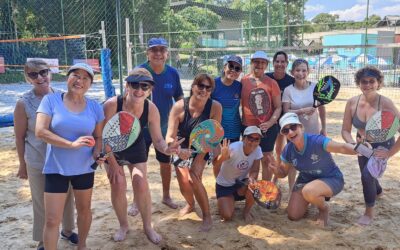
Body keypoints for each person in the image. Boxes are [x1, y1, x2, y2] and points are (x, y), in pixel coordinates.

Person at [102, 68, 182, 244]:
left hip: (135, 144)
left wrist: (168, 149)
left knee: (140, 182)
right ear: (127, 85)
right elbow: (102, 137)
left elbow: (159, 140)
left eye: (144, 86)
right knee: (118, 183)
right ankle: (123, 225)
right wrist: (113, 165)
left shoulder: (150, 108)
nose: (139, 90)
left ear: (150, 89)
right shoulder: (112, 104)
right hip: (111, 147)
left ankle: (148, 226)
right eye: (134, 85)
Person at [36, 63, 104, 250]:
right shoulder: (50, 101)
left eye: (85, 78)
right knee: (51, 219)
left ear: (90, 83)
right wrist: (71, 144)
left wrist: (98, 152)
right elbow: (40, 131)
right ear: (67, 78)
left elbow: (98, 137)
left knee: (84, 211)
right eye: (75, 75)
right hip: (56, 168)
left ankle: (81, 246)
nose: (79, 81)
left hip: (84, 168)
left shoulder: (95, 107)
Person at [14, 60, 78, 250]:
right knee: (41, 202)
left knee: (67, 196)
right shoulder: (23, 103)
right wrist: (22, 164)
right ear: (27, 78)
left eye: (43, 72)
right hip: (38, 160)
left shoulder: (62, 97)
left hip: (63, 158)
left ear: (50, 73)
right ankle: (43, 240)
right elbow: (19, 137)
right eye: (34, 74)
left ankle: (67, 230)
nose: (40, 77)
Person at [269, 112, 358, 227]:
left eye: (293, 127)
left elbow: (341, 147)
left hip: (330, 178)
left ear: (301, 127)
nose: (290, 132)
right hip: (306, 181)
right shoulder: (288, 149)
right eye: (286, 131)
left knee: (309, 191)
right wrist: (276, 171)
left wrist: (357, 148)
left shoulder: (316, 140)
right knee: (293, 215)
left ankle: (323, 209)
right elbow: (283, 173)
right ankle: (311, 199)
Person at [341, 66, 400, 226]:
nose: (367, 85)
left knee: (366, 176)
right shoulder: (352, 102)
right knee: (368, 174)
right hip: (361, 144)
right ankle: (378, 191)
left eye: (371, 81)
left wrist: (389, 153)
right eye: (363, 82)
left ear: (378, 83)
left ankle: (369, 212)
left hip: (383, 145)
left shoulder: (385, 103)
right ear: (358, 83)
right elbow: (345, 131)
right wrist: (354, 144)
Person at [166, 73, 222, 232]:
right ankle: (190, 204)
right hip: (181, 144)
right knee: (183, 181)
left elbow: (214, 134)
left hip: (204, 144)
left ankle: (207, 216)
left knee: (194, 176)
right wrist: (178, 149)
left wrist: (200, 156)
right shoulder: (179, 106)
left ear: (211, 91)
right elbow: (169, 136)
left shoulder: (215, 107)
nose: (203, 90)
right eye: (200, 85)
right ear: (193, 86)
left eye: (208, 87)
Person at [133, 37, 183, 214]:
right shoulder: (139, 72)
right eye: (154, 50)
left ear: (167, 53)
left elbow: (179, 100)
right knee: (138, 165)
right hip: (141, 128)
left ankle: (166, 195)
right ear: (147, 53)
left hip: (164, 128)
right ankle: (135, 200)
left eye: (162, 50)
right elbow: (128, 98)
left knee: (165, 163)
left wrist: (180, 123)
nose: (158, 54)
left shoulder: (172, 73)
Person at [281, 58, 326, 190]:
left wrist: (324, 127)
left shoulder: (315, 87)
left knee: (314, 161)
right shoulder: (288, 90)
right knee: (293, 162)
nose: (301, 73)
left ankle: (313, 190)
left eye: (304, 70)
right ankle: (292, 190)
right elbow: (286, 111)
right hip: (294, 132)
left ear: (308, 71)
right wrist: (302, 111)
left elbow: (322, 108)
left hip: (313, 131)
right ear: (292, 72)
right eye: (297, 70)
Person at [241, 51, 282, 181]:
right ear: (251, 63)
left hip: (267, 127)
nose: (259, 65)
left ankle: (265, 190)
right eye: (256, 62)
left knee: (266, 158)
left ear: (266, 65)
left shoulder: (271, 83)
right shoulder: (243, 81)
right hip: (248, 126)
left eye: (263, 62)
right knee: (249, 157)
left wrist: (270, 123)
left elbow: (278, 107)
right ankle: (250, 188)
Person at [212, 126, 263, 223]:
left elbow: (255, 170)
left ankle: (246, 211)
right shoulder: (233, 148)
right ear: (243, 139)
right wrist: (222, 157)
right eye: (250, 138)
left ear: (259, 141)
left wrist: (252, 178)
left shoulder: (258, 150)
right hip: (224, 185)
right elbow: (215, 164)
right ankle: (227, 200)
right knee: (227, 216)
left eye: (256, 139)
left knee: (255, 186)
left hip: (240, 184)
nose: (253, 142)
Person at [266, 51, 294, 165]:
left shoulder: (291, 81)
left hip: (284, 118)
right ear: (273, 63)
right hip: (268, 118)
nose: (280, 64)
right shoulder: (266, 77)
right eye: (277, 61)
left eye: (283, 61)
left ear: (287, 63)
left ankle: (276, 175)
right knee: (268, 150)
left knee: (279, 150)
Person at [211, 55, 242, 144]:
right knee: (216, 158)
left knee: (231, 157)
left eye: (237, 68)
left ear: (240, 72)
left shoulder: (239, 86)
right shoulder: (213, 84)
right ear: (225, 67)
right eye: (231, 66)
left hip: (234, 132)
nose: (233, 70)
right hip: (216, 131)